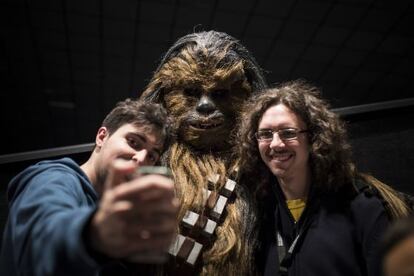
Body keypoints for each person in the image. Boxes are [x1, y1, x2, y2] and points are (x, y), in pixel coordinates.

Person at [236, 80, 410, 276]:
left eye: (288, 133)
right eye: (265, 134)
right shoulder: (263, 215)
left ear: (313, 139)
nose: (275, 144)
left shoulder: (362, 206)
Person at [0, 99, 179, 276]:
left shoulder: (108, 208)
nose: (141, 159)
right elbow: (45, 234)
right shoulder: (53, 177)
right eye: (133, 142)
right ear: (102, 137)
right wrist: (93, 235)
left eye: (151, 156)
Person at [140, 30, 267, 275]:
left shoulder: (262, 165)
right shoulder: (147, 162)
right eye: (191, 92)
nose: (205, 106)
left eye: (219, 94)